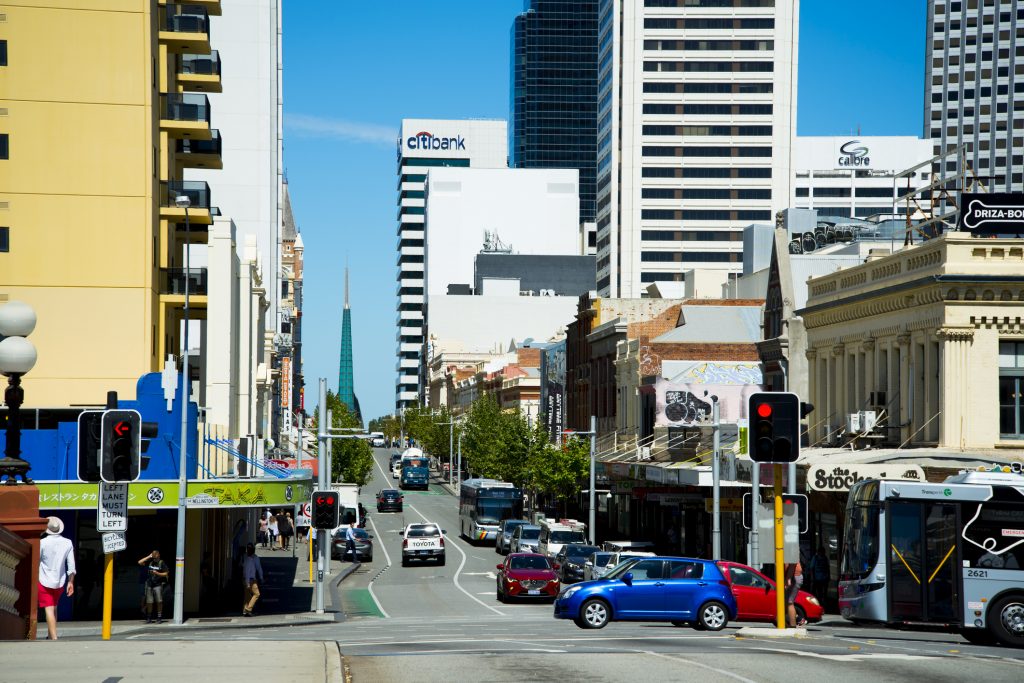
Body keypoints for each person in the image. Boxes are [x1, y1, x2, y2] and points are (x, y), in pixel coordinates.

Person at [38, 516, 76, 640]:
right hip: (60, 580)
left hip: (43, 579)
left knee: (48, 609)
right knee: (54, 606)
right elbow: (71, 564)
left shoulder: (42, 543)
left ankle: (54, 638)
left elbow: (36, 560)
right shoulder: (67, 542)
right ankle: (50, 635)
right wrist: (71, 582)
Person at [138, 549, 169, 624]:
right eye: (153, 556)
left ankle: (159, 617)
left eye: (155, 556)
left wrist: (157, 573)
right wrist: (149, 556)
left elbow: (166, 573)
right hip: (149, 584)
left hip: (158, 584)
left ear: (159, 555)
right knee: (149, 602)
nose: (154, 557)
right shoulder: (150, 562)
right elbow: (140, 562)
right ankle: (149, 617)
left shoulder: (161, 563)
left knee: (159, 601)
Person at [241, 543, 264, 616]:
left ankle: (245, 610)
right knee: (257, 594)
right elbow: (258, 568)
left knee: (247, 595)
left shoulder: (244, 557)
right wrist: (261, 577)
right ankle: (249, 608)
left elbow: (242, 568)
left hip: (245, 578)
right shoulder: (252, 559)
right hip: (251, 579)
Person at [784, 561, 805, 628]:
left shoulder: (790, 551)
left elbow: (792, 563)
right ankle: (797, 619)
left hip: (794, 577)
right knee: (785, 602)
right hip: (791, 576)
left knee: (789, 602)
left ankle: (793, 625)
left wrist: (788, 578)